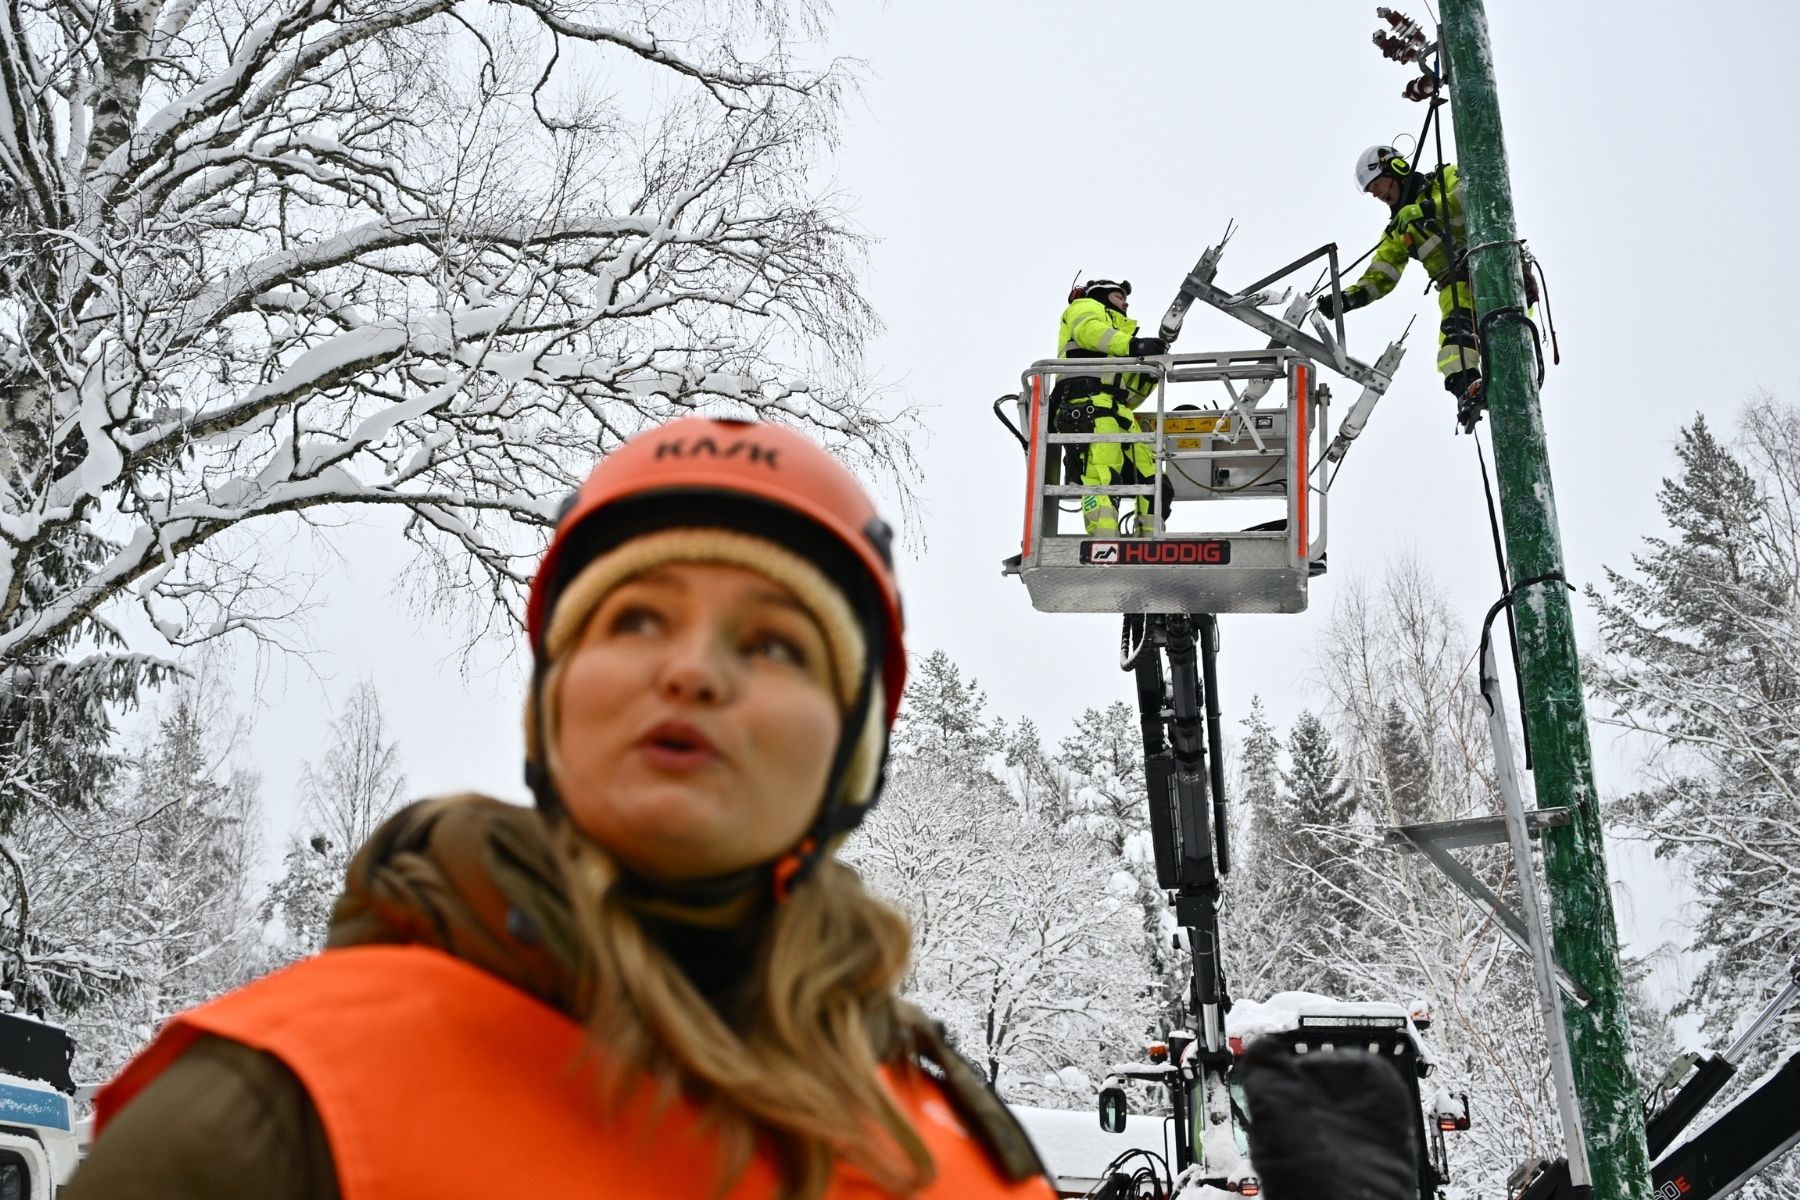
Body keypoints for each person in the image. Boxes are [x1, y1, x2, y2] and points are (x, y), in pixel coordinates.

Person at [69, 417, 1057, 1200]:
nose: (693, 670)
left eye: (774, 644)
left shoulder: (966, 1160)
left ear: (851, 755)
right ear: (553, 706)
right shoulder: (274, 1116)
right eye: (635, 619)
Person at [1318, 145, 1485, 432]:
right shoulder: (1398, 229)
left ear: (1395, 170)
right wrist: (1348, 299)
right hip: (1455, 286)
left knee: (1492, 332)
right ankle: (1468, 389)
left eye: (1377, 184)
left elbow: (1472, 194)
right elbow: (1383, 274)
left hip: (1489, 264)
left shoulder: (1442, 179)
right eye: (1370, 190)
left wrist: (1425, 208)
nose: (1376, 194)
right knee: (1455, 338)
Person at [1051, 279, 1168, 536]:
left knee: (1155, 480)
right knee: (1103, 477)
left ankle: (1150, 541)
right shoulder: (1085, 307)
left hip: (1119, 413)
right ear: (1101, 295)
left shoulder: (1118, 340)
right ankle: (1104, 543)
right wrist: (1133, 346)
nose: (1125, 302)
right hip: (1088, 406)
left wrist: (1150, 373)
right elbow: (1088, 330)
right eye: (1119, 296)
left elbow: (1131, 395)